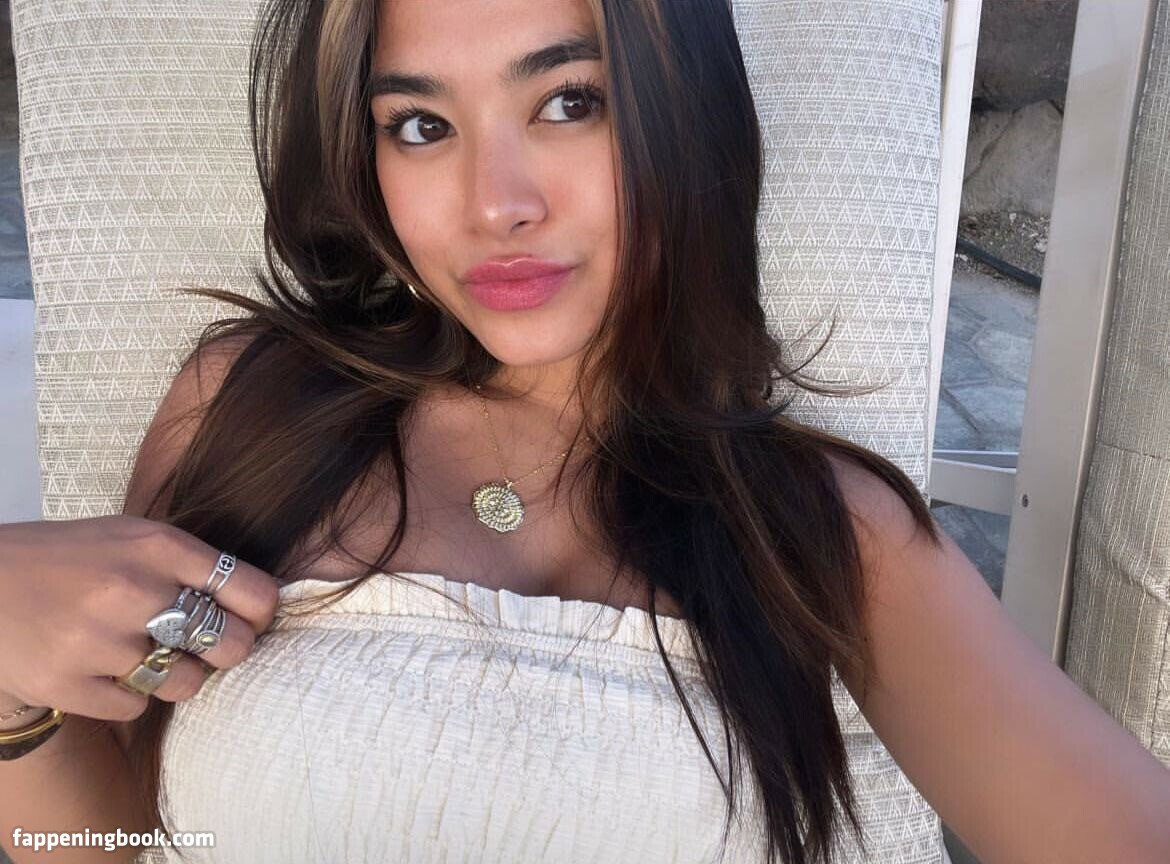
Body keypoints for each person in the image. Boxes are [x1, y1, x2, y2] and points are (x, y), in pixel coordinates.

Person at [2, 0, 1170, 862]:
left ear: (683, 120)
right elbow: (98, 846)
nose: (496, 202)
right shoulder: (250, 408)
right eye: (420, 125)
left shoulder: (823, 528)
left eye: (570, 102)